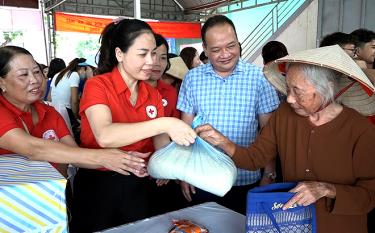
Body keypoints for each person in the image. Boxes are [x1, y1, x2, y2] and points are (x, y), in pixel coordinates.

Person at [195, 45, 375, 233]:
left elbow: (370, 195)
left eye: (297, 91)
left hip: (340, 227)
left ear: (327, 88)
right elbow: (255, 158)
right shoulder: (284, 115)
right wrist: (222, 141)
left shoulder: (360, 130)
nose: (289, 99)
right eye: (288, 89)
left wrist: (327, 189)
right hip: (292, 225)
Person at [71, 19, 196, 232]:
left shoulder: (152, 94)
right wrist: (164, 122)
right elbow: (105, 135)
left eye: (155, 54)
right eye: (142, 54)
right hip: (100, 183)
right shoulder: (98, 85)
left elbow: (160, 143)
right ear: (120, 54)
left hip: (138, 185)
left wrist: (168, 165)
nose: (152, 61)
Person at [177, 15, 280, 214]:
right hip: (202, 177)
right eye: (216, 50)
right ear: (205, 50)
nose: (225, 54)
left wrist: (269, 173)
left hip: (245, 178)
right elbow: (185, 129)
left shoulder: (259, 78)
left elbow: (268, 132)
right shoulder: (192, 79)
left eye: (231, 46)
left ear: (239, 44)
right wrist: (184, 173)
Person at [0, 45, 148, 178]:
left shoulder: (49, 112)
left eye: (37, 72)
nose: (35, 80)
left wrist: (124, 159)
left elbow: (74, 153)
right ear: (2, 82)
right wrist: (102, 156)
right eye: (23, 75)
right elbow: (32, 148)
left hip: (48, 198)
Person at [48, 57, 83, 142]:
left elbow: (49, 97)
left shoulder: (58, 74)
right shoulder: (74, 75)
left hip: (54, 110)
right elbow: (74, 100)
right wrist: (76, 117)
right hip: (66, 112)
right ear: (81, 68)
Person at [146, 33, 180, 118]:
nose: (157, 63)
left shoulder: (170, 92)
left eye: (163, 58)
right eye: (153, 56)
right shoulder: (130, 91)